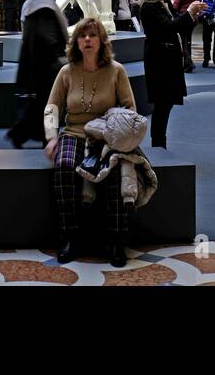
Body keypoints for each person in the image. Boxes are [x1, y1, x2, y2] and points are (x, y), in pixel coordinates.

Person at [44, 17, 136, 267]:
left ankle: (117, 238)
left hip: (106, 136)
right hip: (73, 132)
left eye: (92, 35)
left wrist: (123, 138)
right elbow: (52, 107)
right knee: (63, 166)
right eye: (82, 36)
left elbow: (130, 109)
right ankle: (70, 236)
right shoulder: (67, 71)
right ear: (76, 42)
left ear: (101, 41)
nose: (87, 40)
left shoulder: (116, 70)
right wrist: (52, 138)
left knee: (115, 173)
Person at [138, 0, 206, 148]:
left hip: (168, 60)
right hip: (159, 63)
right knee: (162, 105)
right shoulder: (149, 8)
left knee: (166, 104)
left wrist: (192, 14)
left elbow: (176, 23)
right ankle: (159, 144)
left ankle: (160, 143)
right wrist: (190, 12)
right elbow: (167, 28)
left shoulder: (164, 2)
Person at [7, 0, 69, 149]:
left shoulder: (40, 3)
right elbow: (46, 39)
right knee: (50, 106)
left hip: (41, 67)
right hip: (46, 68)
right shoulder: (44, 7)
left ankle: (26, 134)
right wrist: (59, 59)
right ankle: (47, 138)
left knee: (43, 106)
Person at [170, 0, 198, 73]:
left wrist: (172, 1)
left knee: (184, 42)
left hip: (183, 20)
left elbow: (174, 8)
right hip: (191, 20)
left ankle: (188, 63)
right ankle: (188, 62)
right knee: (187, 41)